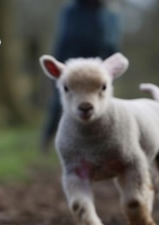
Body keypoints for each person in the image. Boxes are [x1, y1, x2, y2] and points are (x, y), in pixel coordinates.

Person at [41, 0, 121, 151]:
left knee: (102, 105)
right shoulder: (72, 12)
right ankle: (48, 140)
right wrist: (59, 71)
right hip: (73, 66)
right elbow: (64, 42)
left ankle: (103, 143)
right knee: (59, 103)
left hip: (98, 69)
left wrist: (108, 70)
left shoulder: (110, 13)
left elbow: (112, 45)